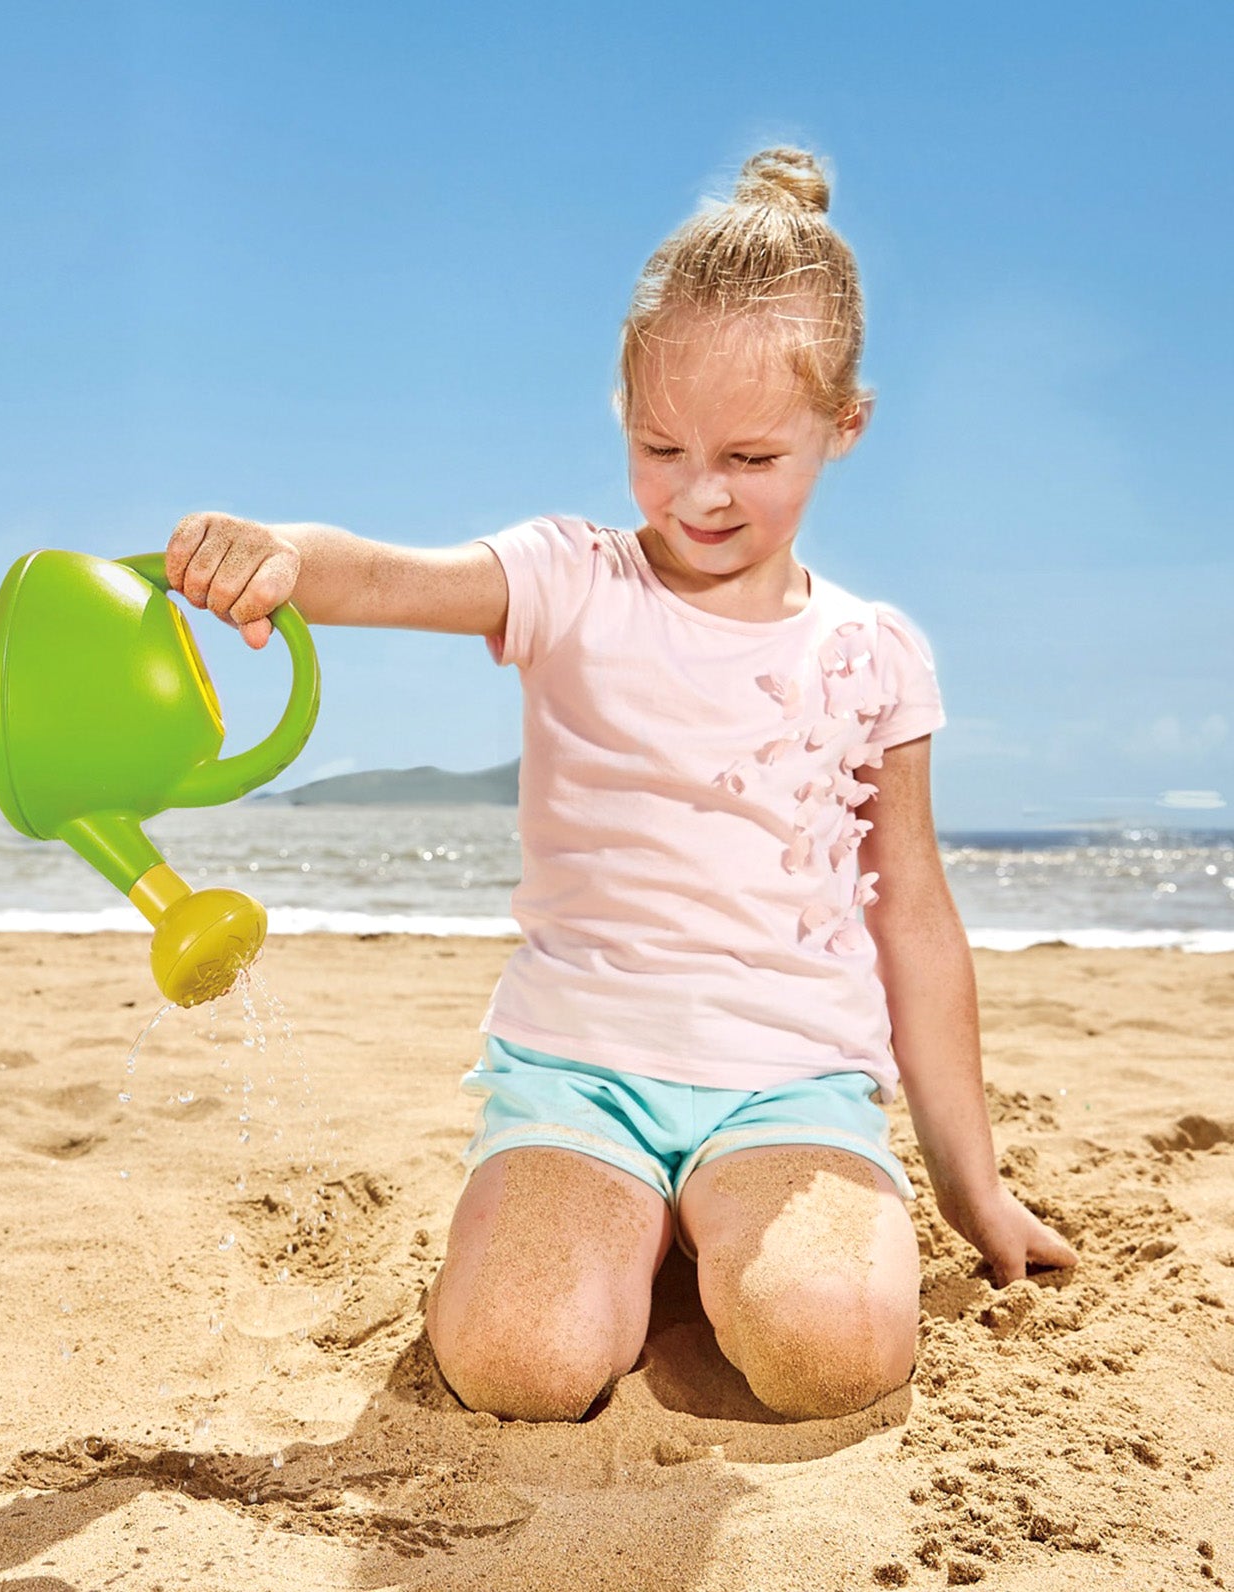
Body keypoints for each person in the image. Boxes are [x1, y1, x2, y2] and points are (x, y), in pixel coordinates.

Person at [164, 146, 1078, 1425]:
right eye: (661, 445)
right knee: (521, 1363)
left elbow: (912, 915)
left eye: (752, 458)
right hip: (575, 1070)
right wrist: (273, 552)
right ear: (621, 409)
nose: (699, 492)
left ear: (843, 425)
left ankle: (707, 1227)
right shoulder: (568, 578)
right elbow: (377, 575)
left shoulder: (872, 654)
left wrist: (969, 1184)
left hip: (787, 1080)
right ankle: (610, 1226)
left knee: (835, 1353)